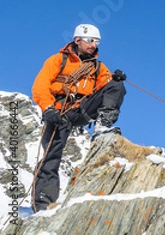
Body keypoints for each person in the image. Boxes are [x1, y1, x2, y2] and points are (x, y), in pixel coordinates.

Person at [31, 24, 127, 212]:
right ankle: (43, 205)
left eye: (97, 41)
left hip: (82, 109)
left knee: (117, 86)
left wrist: (114, 79)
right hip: (59, 112)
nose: (94, 45)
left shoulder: (98, 67)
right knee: (51, 155)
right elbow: (40, 86)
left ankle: (102, 125)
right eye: (90, 40)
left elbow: (107, 87)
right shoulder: (58, 60)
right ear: (77, 40)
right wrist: (48, 108)